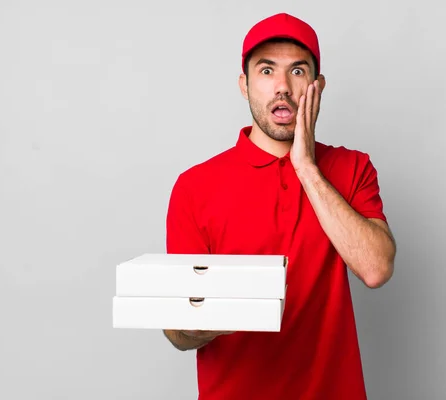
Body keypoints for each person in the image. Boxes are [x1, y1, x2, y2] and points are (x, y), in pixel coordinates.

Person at [163, 12, 396, 400]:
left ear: (317, 86)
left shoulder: (352, 168)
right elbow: (177, 331)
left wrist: (306, 167)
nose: (282, 87)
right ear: (245, 84)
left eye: (298, 71)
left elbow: (376, 269)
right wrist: (214, 318)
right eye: (267, 70)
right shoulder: (194, 186)